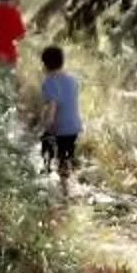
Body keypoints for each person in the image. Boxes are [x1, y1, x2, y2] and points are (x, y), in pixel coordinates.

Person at [37, 44, 81, 191]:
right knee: (66, 152)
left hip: (60, 127)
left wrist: (47, 125)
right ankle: (67, 172)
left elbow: (52, 106)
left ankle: (48, 169)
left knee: (46, 142)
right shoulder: (72, 79)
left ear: (44, 65)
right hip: (74, 126)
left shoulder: (49, 82)